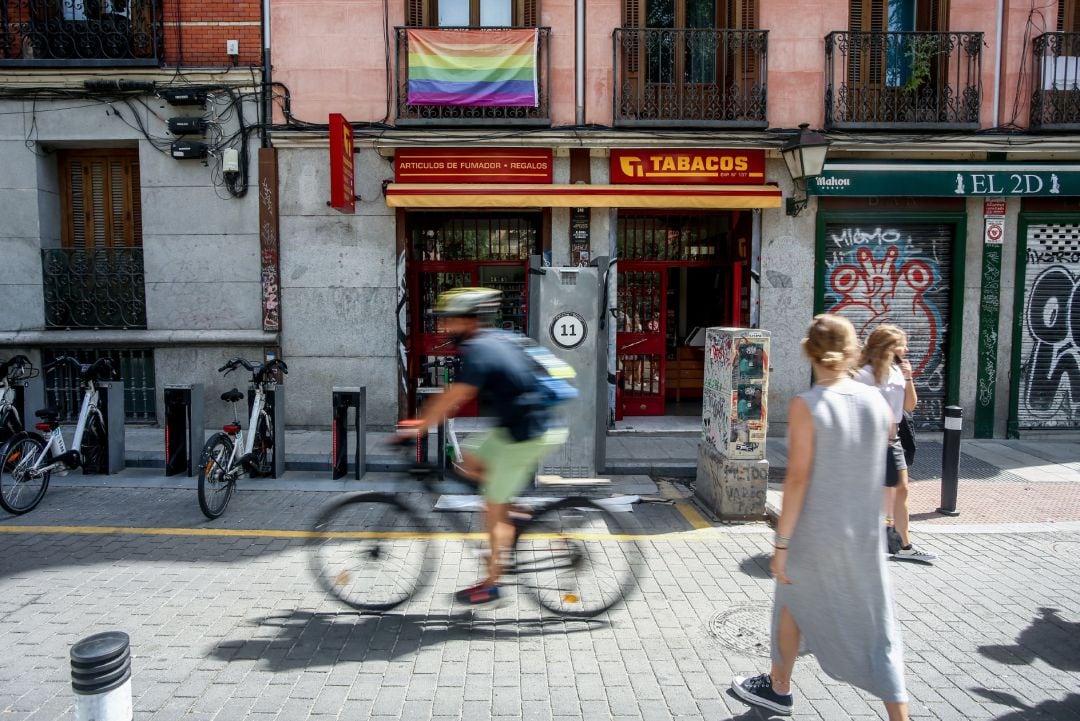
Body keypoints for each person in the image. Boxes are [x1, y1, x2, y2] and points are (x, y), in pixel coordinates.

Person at [731, 314, 908, 720]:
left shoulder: (806, 405)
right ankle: (780, 685)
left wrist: (781, 544)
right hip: (862, 536)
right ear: (852, 350)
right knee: (874, 629)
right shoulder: (877, 404)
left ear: (809, 351)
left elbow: (797, 480)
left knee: (792, 595)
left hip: (815, 535)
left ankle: (778, 688)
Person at [396, 287, 568, 606]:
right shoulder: (494, 340)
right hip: (514, 426)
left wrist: (417, 426)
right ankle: (516, 515)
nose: (445, 328)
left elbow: (454, 396)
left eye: (449, 321)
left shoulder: (479, 351)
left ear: (466, 320)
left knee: (492, 506)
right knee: (467, 464)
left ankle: (492, 584)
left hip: (527, 432)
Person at [854, 324, 936, 562]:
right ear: (888, 346)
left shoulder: (897, 371)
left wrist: (908, 376)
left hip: (894, 438)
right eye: (902, 343)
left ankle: (903, 544)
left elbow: (909, 406)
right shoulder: (863, 374)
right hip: (869, 439)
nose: (907, 348)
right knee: (870, 491)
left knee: (902, 489)